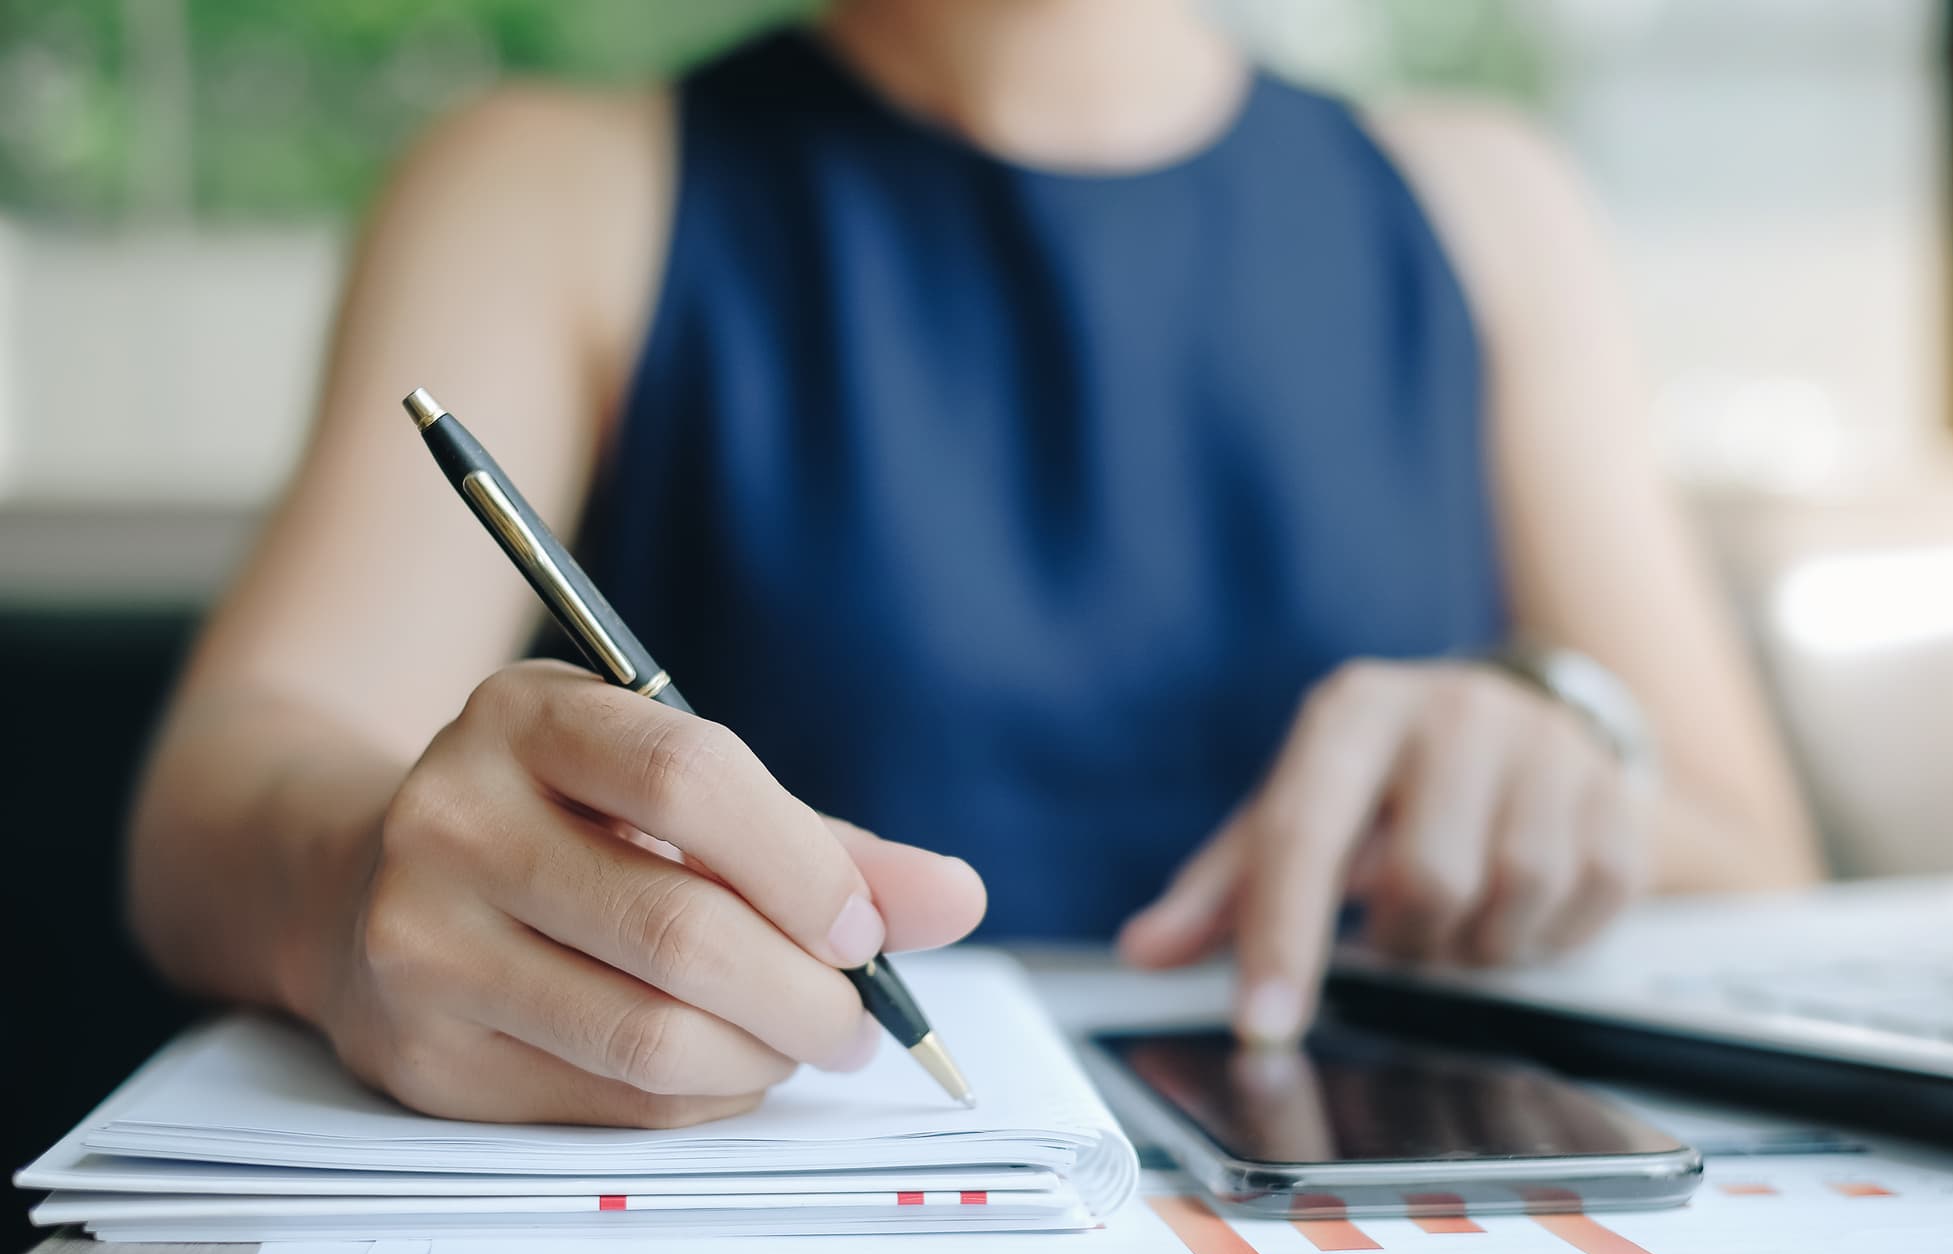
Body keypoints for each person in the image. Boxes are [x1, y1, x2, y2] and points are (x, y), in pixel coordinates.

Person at [128, 0, 1817, 1128]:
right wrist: (360, 883)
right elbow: (219, 790)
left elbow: (1759, 863)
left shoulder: (1484, 203)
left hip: (1388, 1235)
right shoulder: (550, 184)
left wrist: (1555, 737)